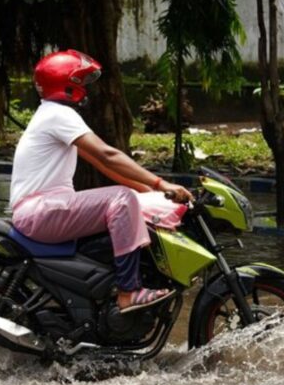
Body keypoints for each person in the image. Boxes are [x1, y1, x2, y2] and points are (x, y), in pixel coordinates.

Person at [10, 50, 193, 313]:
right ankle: (129, 291)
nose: (85, 89)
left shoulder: (50, 114)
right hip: (41, 211)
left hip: (42, 210)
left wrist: (148, 191)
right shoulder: (58, 115)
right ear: (67, 84)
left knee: (126, 197)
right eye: (81, 82)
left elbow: (103, 164)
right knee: (121, 198)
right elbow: (108, 155)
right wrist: (160, 184)